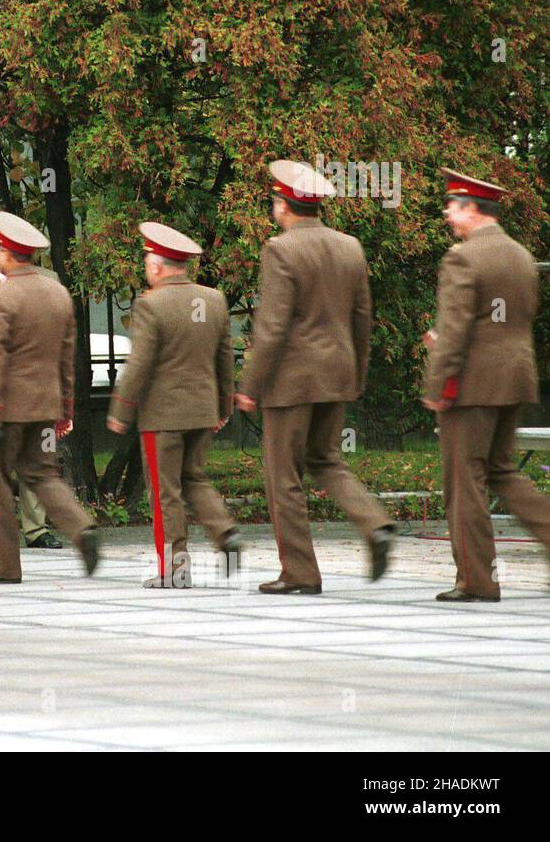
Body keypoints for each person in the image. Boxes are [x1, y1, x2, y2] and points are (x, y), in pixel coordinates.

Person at [236, 160, 394, 595]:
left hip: (291, 381)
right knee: (327, 461)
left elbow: (272, 326)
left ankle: (300, 572)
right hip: (336, 372)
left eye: (274, 201)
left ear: (284, 206)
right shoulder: (350, 246)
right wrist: (356, 373)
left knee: (283, 475)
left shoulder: (280, 249)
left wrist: (249, 385)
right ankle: (375, 523)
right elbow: (363, 317)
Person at [422, 168, 550, 602]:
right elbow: (522, 315)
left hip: (473, 383)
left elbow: (455, 329)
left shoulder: (463, 257)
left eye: (451, 206)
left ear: (472, 209)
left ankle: (477, 580)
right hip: (515, 376)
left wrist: (438, 381)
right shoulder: (521, 255)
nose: (446, 214)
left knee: (465, 479)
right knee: (503, 471)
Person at [0, 211, 101, 583]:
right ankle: (81, 529)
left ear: (7, 252)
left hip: (6, 410)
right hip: (44, 406)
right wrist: (65, 410)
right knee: (42, 474)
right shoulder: (57, 292)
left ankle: (1, 566)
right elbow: (66, 357)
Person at [108, 222, 241, 588]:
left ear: (156, 265)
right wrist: (224, 407)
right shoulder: (214, 300)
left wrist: (121, 409)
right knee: (194, 478)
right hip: (202, 410)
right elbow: (225, 358)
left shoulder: (151, 304)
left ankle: (175, 568)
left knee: (166, 490)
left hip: (162, 416)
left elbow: (140, 364)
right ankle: (224, 531)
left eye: (147, 260)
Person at [0, 255, 65, 549]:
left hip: (36, 391)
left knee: (38, 461)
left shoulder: (49, 280)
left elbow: (57, 341)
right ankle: (0, 537)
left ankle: (37, 529)